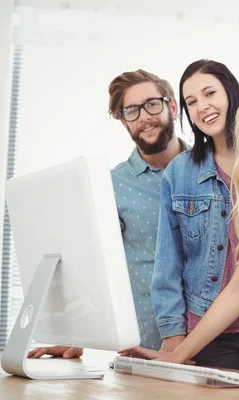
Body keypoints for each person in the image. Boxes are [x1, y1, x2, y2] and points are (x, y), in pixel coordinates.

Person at [128, 59, 239, 372]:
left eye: (210, 93)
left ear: (231, 93)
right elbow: (168, 263)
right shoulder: (179, 173)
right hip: (207, 329)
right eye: (191, 102)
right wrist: (172, 335)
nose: (202, 107)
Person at [28, 70, 188, 359]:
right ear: (123, 120)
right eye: (131, 111)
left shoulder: (210, 171)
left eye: (152, 104)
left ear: (172, 106)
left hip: (218, 342)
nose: (144, 117)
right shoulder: (111, 186)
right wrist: (77, 334)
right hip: (145, 348)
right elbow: (94, 267)